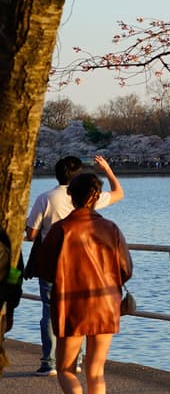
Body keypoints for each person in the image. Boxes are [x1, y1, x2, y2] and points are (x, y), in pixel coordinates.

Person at [36, 172, 133, 394]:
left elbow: (45, 268)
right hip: (105, 304)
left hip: (72, 304)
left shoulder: (61, 229)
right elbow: (126, 269)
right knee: (96, 371)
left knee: (66, 368)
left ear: (71, 196)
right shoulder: (111, 228)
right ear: (96, 196)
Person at [25, 155, 125, 376]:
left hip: (54, 264)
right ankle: (76, 360)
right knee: (78, 311)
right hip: (84, 267)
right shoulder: (89, 198)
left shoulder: (45, 198)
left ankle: (50, 362)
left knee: (50, 311)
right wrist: (107, 169)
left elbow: (31, 233)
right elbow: (119, 193)